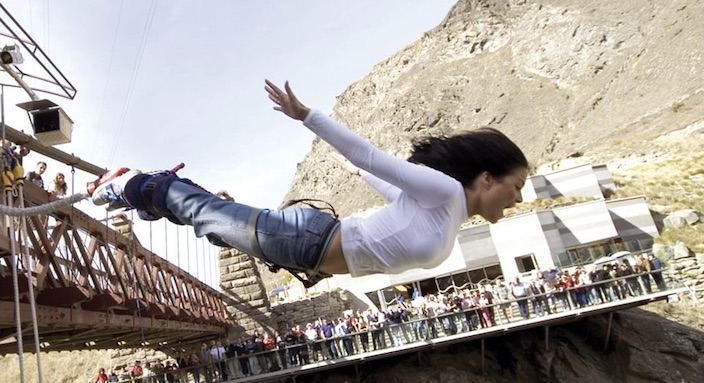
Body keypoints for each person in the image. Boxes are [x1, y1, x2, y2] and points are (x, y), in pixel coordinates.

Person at [89, 80, 529, 281]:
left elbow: (389, 187)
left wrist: (355, 173)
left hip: (309, 252)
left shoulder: (447, 211)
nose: (520, 198)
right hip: (309, 241)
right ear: (488, 178)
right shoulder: (448, 191)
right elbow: (374, 157)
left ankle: (147, 197)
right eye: (517, 185)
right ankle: (131, 185)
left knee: (214, 226)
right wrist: (307, 116)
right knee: (208, 218)